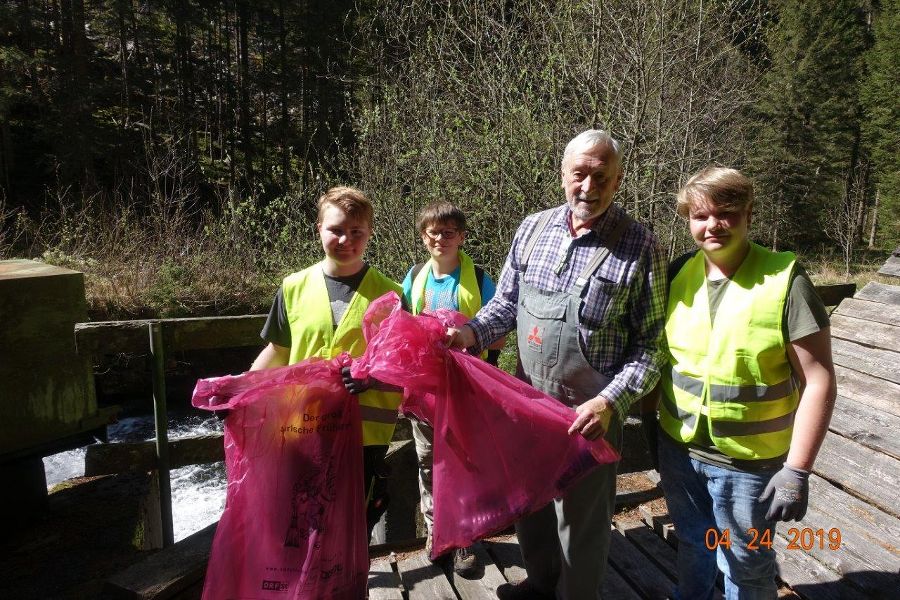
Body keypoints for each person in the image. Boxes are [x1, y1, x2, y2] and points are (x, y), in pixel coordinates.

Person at [448, 129, 667, 599]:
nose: (588, 188)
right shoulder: (532, 228)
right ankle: (541, 583)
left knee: (582, 526)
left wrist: (609, 403)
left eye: (601, 178)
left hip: (592, 414)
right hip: (528, 406)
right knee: (533, 507)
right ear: (562, 175)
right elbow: (504, 305)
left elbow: (652, 347)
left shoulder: (640, 245)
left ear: (619, 180)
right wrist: (466, 333)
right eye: (579, 175)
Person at [642, 166, 836, 599]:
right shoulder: (676, 276)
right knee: (694, 545)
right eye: (699, 215)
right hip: (681, 451)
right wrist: (650, 422)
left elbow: (819, 380)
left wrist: (797, 470)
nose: (712, 225)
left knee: (747, 566)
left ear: (749, 213)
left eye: (725, 212)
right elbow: (661, 360)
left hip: (752, 466)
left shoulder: (786, 281)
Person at [250, 185, 403, 540]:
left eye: (356, 232)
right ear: (318, 228)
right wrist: (238, 392)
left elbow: (403, 363)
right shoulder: (293, 287)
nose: (346, 239)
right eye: (336, 229)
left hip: (365, 435)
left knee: (351, 525)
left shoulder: (392, 294)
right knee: (303, 519)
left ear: (370, 234)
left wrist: (372, 376)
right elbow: (278, 350)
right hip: (302, 426)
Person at [400, 201, 504, 576]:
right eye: (432, 232)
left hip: (469, 391)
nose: (439, 239)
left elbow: (500, 338)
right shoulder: (414, 278)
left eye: (448, 232)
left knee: (466, 463)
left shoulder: (480, 278)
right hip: (424, 392)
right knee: (428, 463)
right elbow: (401, 332)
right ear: (423, 236)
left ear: (461, 236)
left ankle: (466, 539)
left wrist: (461, 337)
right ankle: (436, 534)